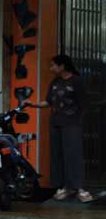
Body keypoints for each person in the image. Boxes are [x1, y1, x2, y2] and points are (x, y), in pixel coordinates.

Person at [23, 54, 93, 203]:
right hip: (55, 123)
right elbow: (48, 102)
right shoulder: (56, 81)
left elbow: (84, 105)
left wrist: (78, 120)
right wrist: (32, 104)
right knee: (58, 155)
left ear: (62, 66)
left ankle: (78, 187)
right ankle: (65, 187)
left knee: (73, 155)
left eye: (54, 65)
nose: (51, 68)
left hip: (72, 124)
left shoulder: (77, 81)